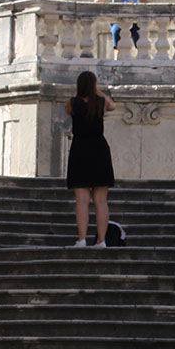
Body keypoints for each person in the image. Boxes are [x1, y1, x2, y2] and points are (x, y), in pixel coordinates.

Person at [66, 70, 116, 247]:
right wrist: (97, 90)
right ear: (93, 86)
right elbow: (112, 105)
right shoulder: (100, 103)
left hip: (80, 149)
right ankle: (101, 240)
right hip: (99, 149)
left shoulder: (72, 103)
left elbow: (69, 111)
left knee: (82, 199)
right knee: (101, 200)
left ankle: (82, 239)